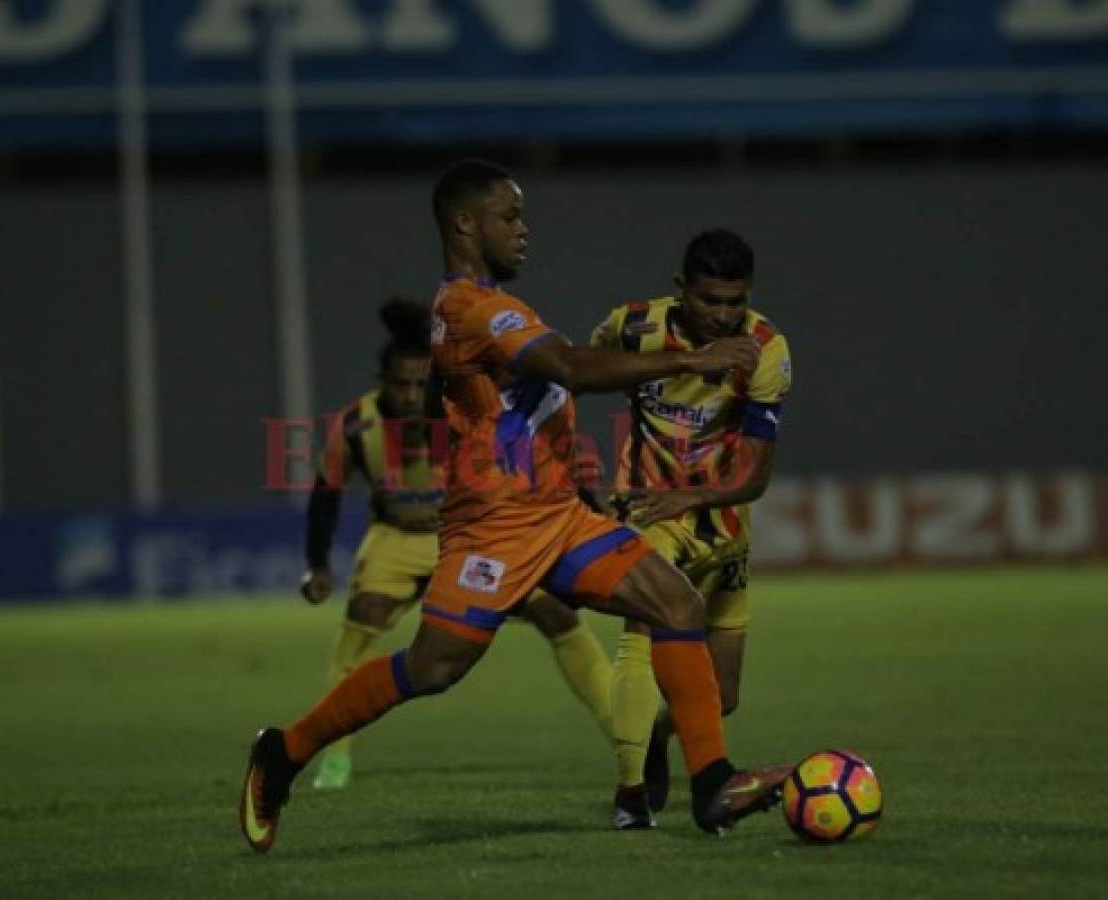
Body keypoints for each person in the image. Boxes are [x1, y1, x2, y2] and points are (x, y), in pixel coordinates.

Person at [239, 159, 791, 853]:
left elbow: (530, 384)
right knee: (434, 668)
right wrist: (686, 363)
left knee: (676, 605)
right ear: (466, 223)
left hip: (556, 516)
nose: (524, 231)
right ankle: (283, 753)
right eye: (510, 217)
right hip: (493, 531)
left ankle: (712, 784)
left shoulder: (482, 305)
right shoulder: (476, 308)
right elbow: (568, 368)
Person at [300, 298, 616, 791]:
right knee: (363, 616)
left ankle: (625, 732)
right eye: (398, 384)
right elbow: (326, 495)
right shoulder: (357, 426)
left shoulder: (468, 408)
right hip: (399, 537)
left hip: (476, 534)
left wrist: (591, 504)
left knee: (556, 614)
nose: (408, 395)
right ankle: (334, 759)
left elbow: (549, 455)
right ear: (381, 380)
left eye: (416, 383)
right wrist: (317, 565)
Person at [590, 228, 792, 827]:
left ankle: (653, 737)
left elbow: (754, 477)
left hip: (723, 525)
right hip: (648, 515)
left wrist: (692, 495)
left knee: (721, 696)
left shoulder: (765, 348)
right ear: (681, 291)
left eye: (736, 302)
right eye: (710, 301)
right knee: (641, 632)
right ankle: (630, 795)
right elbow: (583, 369)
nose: (724, 315)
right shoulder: (631, 327)